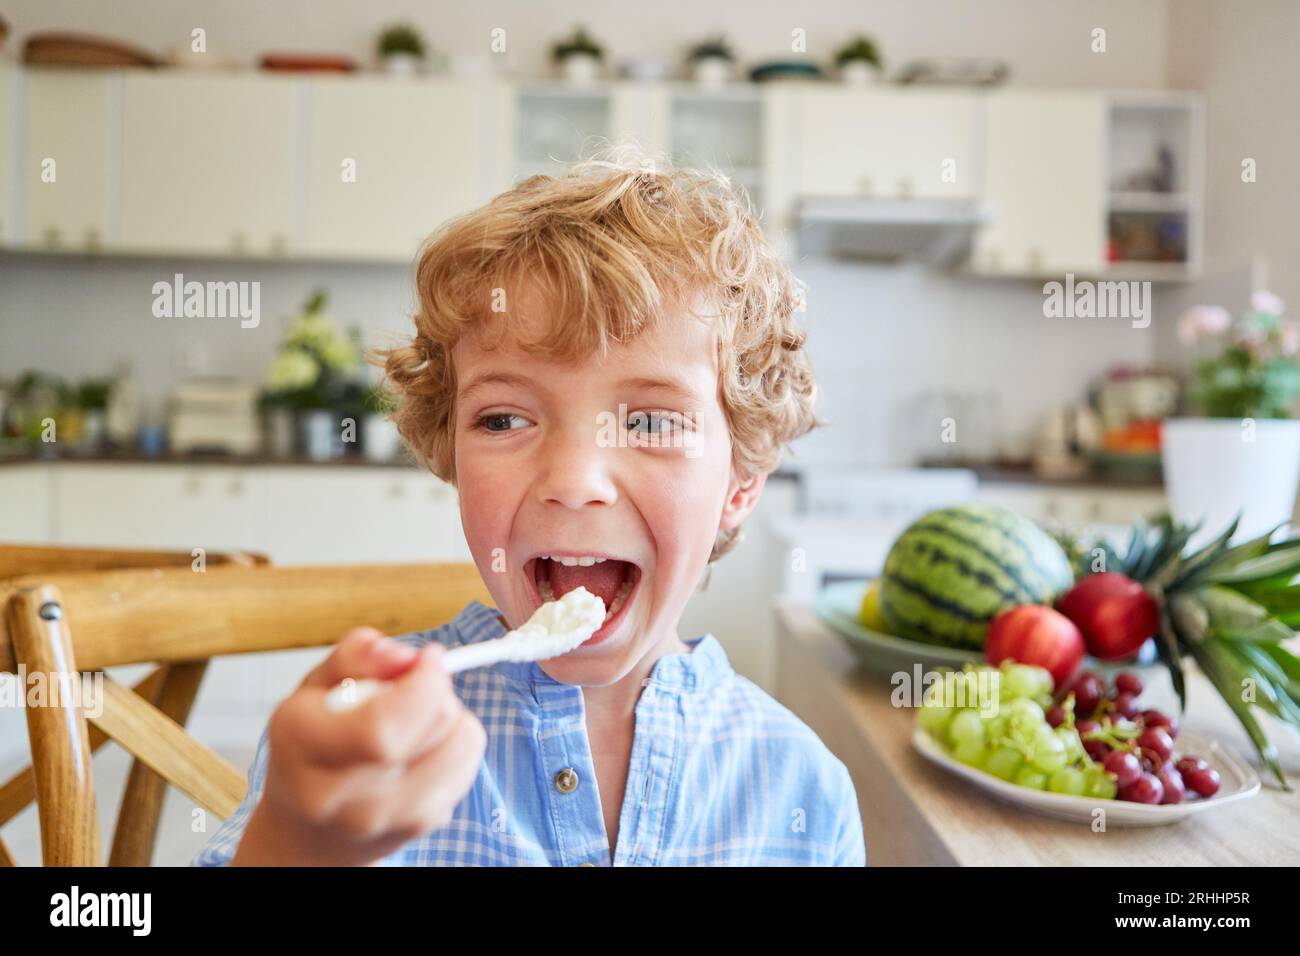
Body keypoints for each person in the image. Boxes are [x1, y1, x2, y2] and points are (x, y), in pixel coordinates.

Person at [194, 143, 866, 866]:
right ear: (449, 451)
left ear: (740, 484)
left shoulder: (804, 789)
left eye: (649, 421)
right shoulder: (363, 740)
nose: (574, 480)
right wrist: (296, 844)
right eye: (505, 419)